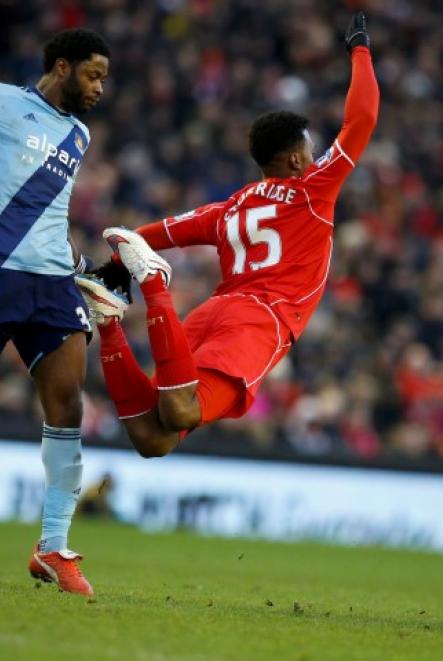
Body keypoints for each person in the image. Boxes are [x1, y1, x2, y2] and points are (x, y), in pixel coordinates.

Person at [78, 12, 379, 460]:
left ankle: (108, 323)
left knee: (151, 437)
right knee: (180, 414)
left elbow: (155, 233)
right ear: (295, 161)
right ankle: (157, 287)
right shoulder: (314, 190)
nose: (316, 157)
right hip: (258, 323)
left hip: (213, 312)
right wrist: (360, 50)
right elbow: (363, 118)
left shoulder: (231, 206)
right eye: (310, 151)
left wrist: (114, 263)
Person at [0, 28, 110, 595]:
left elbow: (51, 208)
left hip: (51, 281)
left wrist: (76, 262)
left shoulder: (79, 134)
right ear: (61, 67)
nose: (99, 88)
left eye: (105, 79)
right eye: (93, 75)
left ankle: (52, 548)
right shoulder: (4, 103)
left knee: (68, 403)